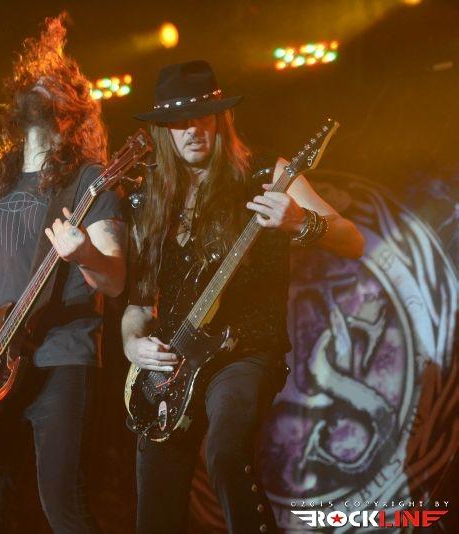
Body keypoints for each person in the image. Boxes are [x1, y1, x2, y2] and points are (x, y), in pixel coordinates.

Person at [121, 60, 364, 533]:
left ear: (221, 119)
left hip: (244, 350)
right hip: (174, 362)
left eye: (202, 117)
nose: (193, 130)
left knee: (226, 453)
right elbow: (137, 304)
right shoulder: (149, 198)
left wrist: (300, 221)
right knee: (155, 502)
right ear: (163, 131)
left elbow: (351, 239)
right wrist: (133, 344)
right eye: (179, 122)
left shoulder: (267, 174)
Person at [0, 15, 127, 533]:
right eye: (34, 77)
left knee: (62, 505)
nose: (40, 84)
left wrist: (84, 255)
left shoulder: (91, 180)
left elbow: (114, 280)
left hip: (61, 358)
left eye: (55, 81)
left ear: (73, 108)